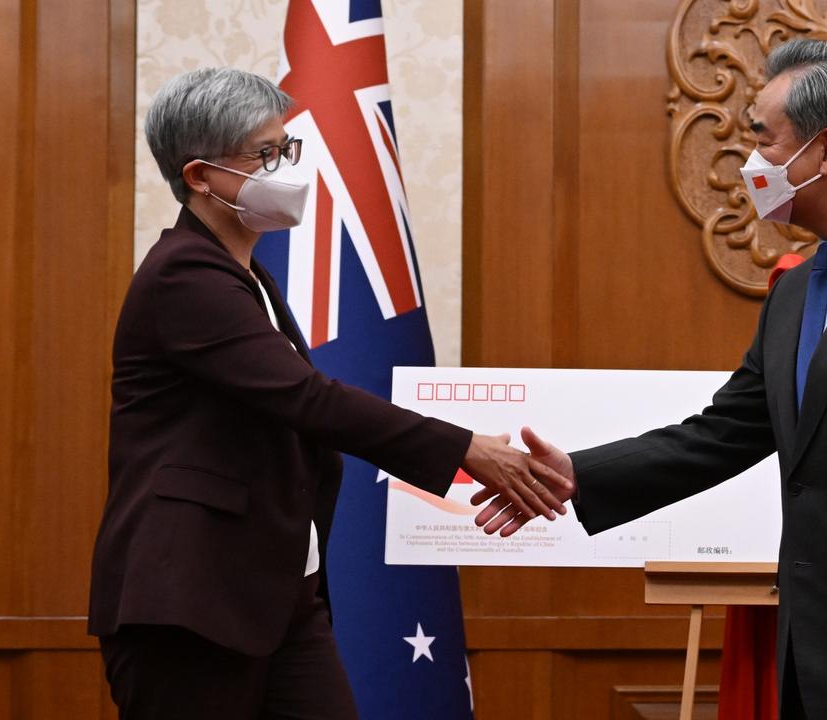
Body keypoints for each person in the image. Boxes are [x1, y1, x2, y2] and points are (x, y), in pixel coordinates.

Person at [473, 39, 827, 720]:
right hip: (812, 650)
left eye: (765, 141)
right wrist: (575, 473)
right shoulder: (796, 289)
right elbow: (723, 433)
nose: (750, 165)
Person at [88, 67, 571, 720]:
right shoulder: (185, 279)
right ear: (200, 177)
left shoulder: (243, 274)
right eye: (265, 155)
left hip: (277, 595)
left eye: (287, 147)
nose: (289, 167)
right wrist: (468, 450)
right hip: (192, 604)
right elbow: (310, 400)